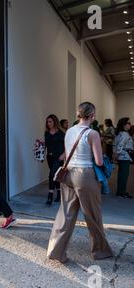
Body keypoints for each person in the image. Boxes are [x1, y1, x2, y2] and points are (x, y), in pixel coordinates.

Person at [47, 102, 113, 263]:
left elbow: (67, 153)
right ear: (92, 115)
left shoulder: (69, 131)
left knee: (66, 214)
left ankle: (56, 251)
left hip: (68, 174)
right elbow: (98, 161)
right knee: (93, 215)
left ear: (78, 114)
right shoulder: (92, 134)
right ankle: (100, 251)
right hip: (85, 176)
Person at [44, 115, 65, 205]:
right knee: (55, 176)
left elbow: (67, 145)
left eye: (50, 122)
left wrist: (64, 155)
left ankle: (50, 195)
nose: (48, 124)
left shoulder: (61, 133)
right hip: (49, 157)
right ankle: (59, 193)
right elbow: (46, 145)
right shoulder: (47, 133)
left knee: (51, 175)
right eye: (47, 122)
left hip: (58, 157)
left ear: (55, 122)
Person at [114, 118, 134, 199]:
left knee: (122, 175)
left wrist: (115, 154)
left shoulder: (119, 133)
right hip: (124, 157)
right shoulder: (125, 134)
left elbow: (115, 145)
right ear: (124, 125)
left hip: (122, 156)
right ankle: (121, 192)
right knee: (124, 175)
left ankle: (121, 191)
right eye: (128, 123)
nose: (130, 124)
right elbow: (120, 145)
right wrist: (117, 155)